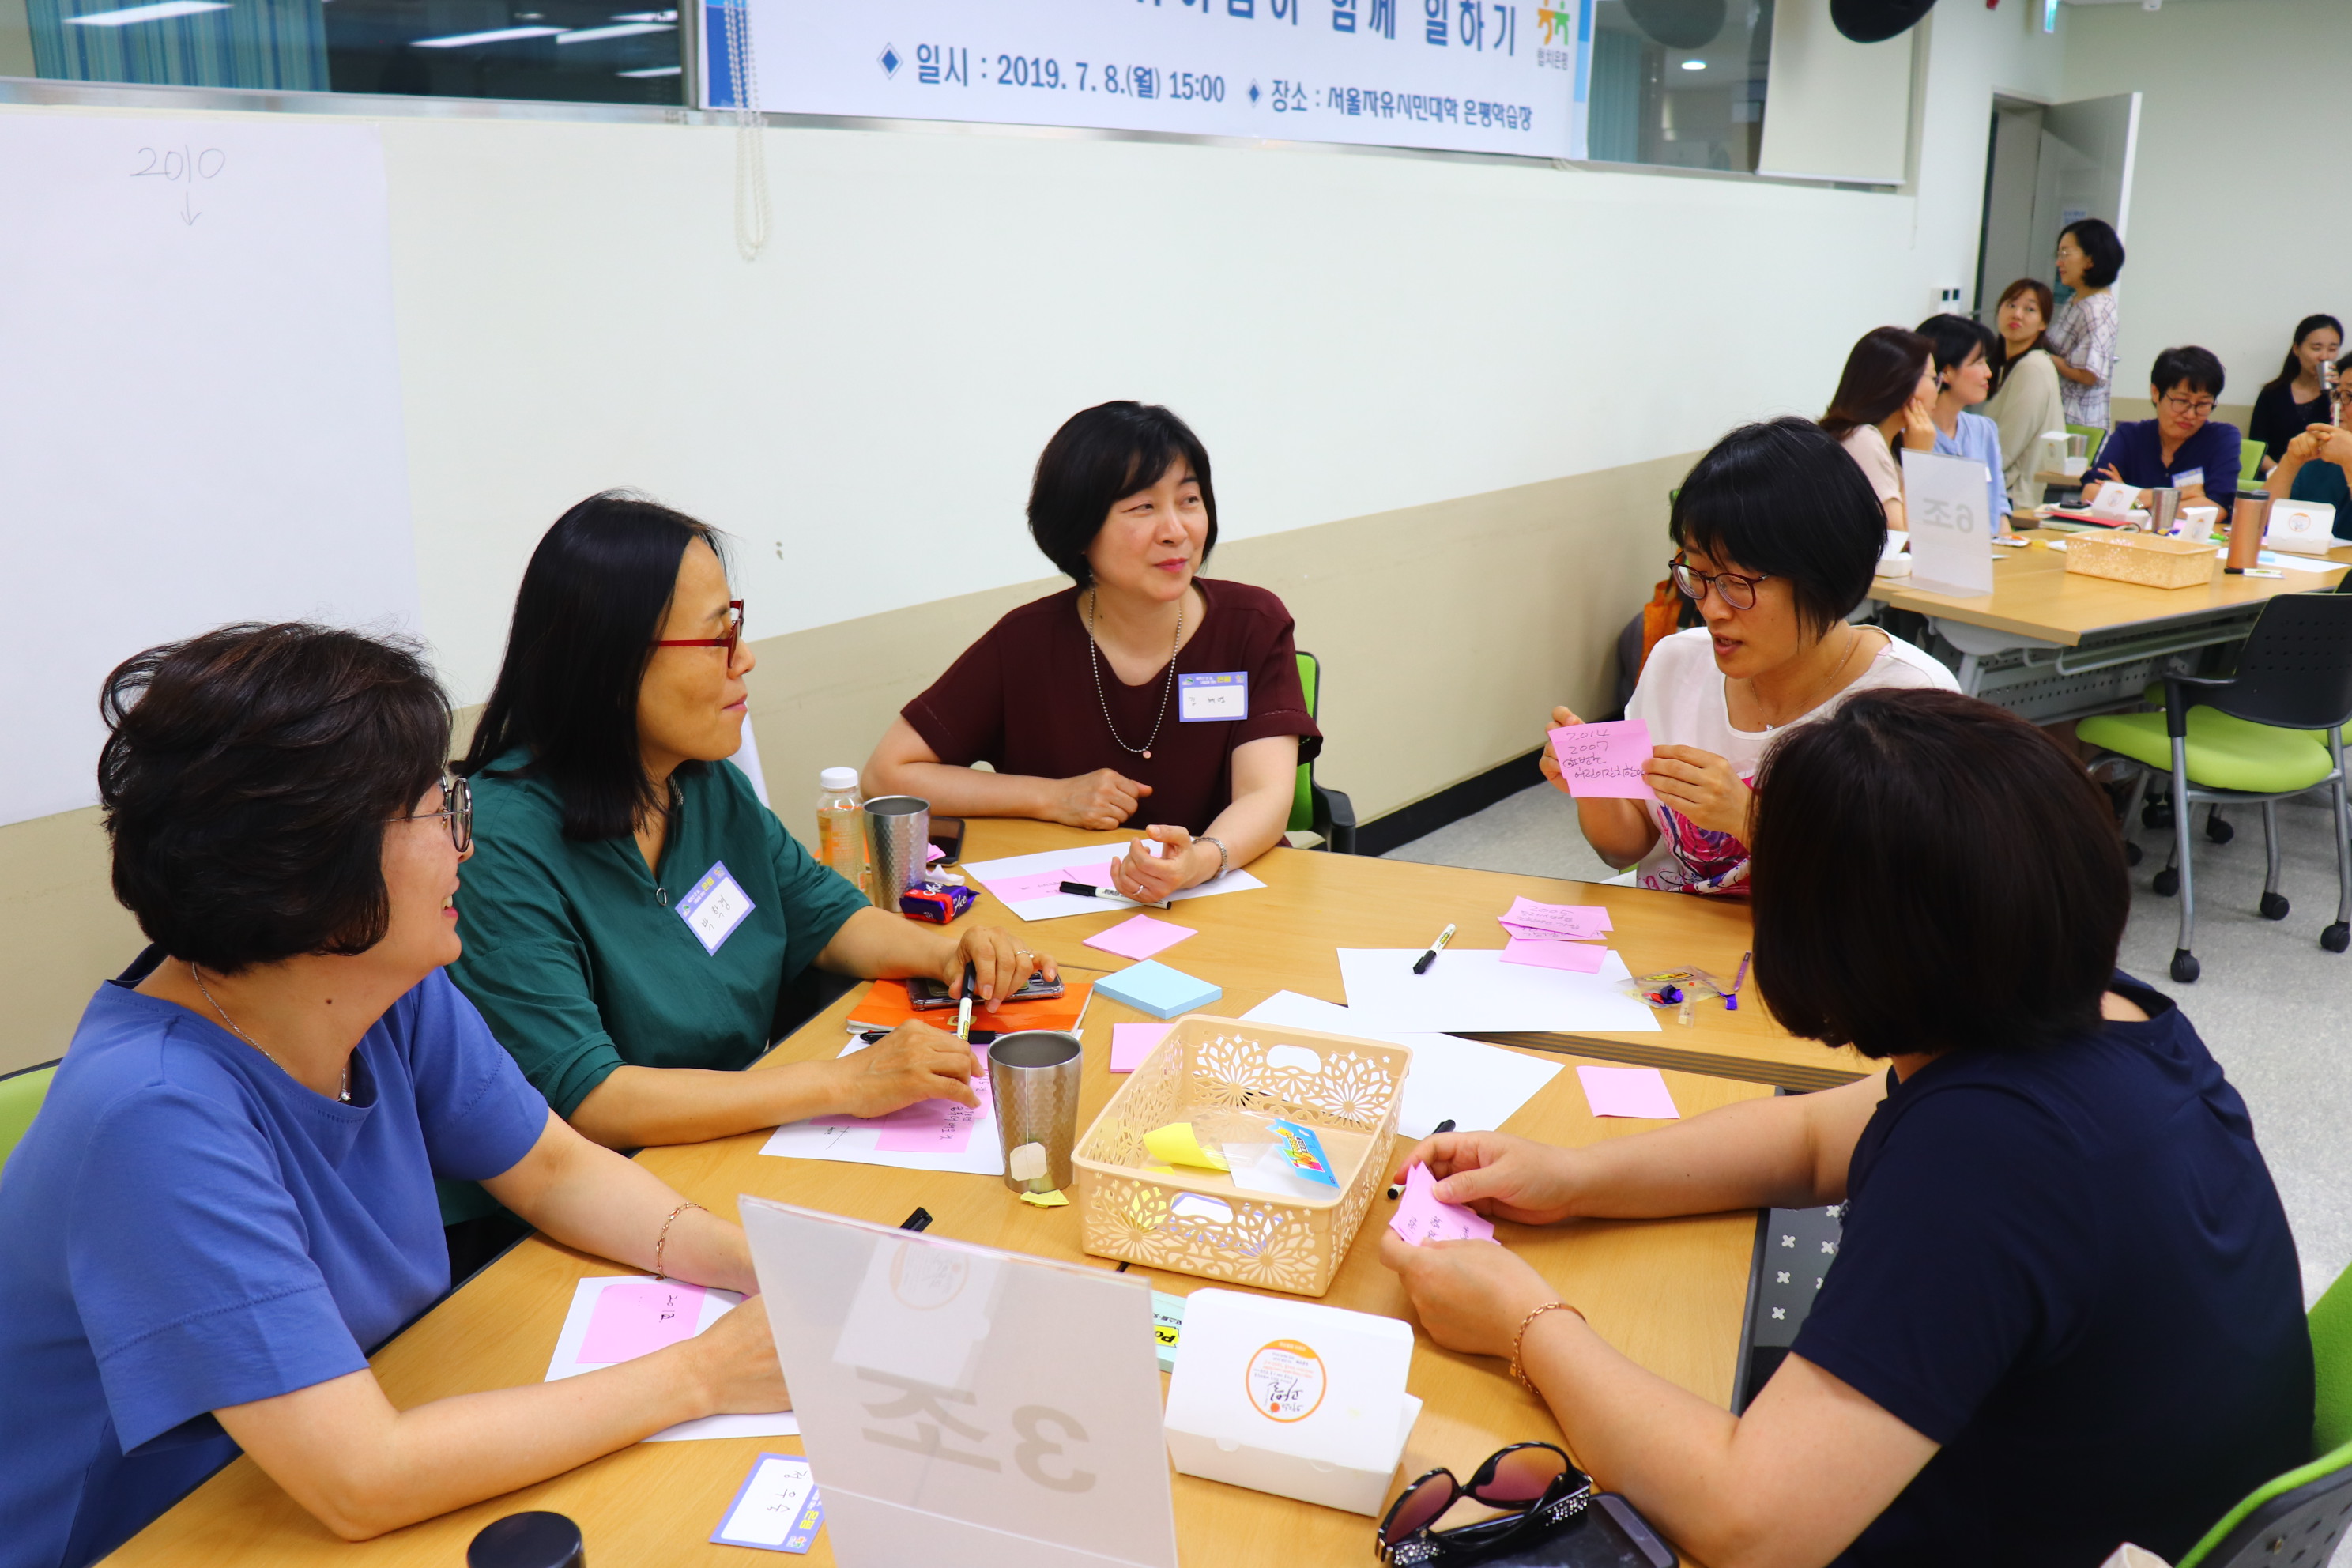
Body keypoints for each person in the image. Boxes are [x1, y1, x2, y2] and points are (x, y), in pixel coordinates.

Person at [1383, 689, 2311, 1567]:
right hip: (2047, 1475)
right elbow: (1817, 1139)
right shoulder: (2101, 1014)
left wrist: (1524, 1319)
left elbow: (1752, 1526)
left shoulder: (1988, 1156)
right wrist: (1577, 1177)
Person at [0, 624, 792, 1568]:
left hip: (310, 1458)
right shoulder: (153, 1115)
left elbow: (548, 1165)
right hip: (160, 1533)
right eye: (439, 807)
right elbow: (362, 1478)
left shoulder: (385, 985)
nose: (470, 835)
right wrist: (708, 1372)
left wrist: (768, 1272)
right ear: (316, 866)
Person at [445, 495, 1050, 1254]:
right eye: (716, 637)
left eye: (738, 626)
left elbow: (824, 913)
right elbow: (588, 1097)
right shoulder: (499, 843)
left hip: (735, 1151)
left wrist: (947, 954)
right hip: (605, 1212)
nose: (746, 657)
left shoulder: (700, 781)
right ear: (610, 663)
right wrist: (844, 1084)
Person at [863, 401, 1321, 903]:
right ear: (1080, 531)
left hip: (1232, 890)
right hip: (1078, 904)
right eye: (1143, 507)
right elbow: (886, 776)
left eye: (1189, 500)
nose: (1176, 530)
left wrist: (1200, 860)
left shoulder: (1251, 623)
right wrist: (1051, 797)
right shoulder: (1026, 642)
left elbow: (1265, 794)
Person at [1541, 417, 1958, 895]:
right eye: (1697, 574)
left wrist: (1749, 819)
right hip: (1669, 953)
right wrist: (1594, 786)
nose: (1710, 609)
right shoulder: (1675, 663)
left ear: (1824, 576)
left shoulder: (1913, 700)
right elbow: (1627, 848)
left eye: (1738, 584)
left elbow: (1906, 898)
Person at [2090, 346, 2243, 518]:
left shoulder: (2222, 439)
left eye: (2203, 404)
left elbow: (2216, 510)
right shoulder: (2129, 436)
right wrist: (2182, 493)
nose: (2191, 414)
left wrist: (2132, 499)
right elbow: (2091, 493)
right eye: (2182, 401)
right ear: (2156, 393)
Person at [1819, 327, 1938, 531]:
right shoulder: (1862, 438)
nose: (1937, 390)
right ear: (1905, 383)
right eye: (1934, 379)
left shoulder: (1891, 440)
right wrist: (1918, 459)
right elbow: (1899, 535)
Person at [1915, 313, 2013, 535]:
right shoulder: (1911, 433)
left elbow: (1998, 508)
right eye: (1978, 362)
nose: (1988, 373)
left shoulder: (1984, 430)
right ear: (1946, 372)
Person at [1979, 277, 2067, 511]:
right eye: (2011, 305)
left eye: (2030, 309)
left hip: (2016, 498)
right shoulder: (2007, 367)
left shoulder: (2032, 367)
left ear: (2043, 323)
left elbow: (2007, 447)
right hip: (2005, 490)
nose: (2017, 314)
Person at [2046, 218, 2126, 431]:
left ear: (2090, 261)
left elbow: (2090, 374)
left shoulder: (2096, 309)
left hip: (2076, 422)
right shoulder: (2077, 299)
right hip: (2060, 412)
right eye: (2058, 255)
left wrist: (2050, 360)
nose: (2059, 262)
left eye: (2066, 254)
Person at [2248, 313, 2344, 473]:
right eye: (2316, 348)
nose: (2324, 357)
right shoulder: (2272, 394)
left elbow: (2344, 441)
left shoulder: (2340, 397)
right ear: (2297, 349)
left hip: (2322, 480)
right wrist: (2280, 474)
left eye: (2332, 349)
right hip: (2274, 475)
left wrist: (2339, 394)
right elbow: (2258, 447)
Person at [2263, 394, 2352, 537]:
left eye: (2349, 396)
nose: (2335, 406)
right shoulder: (2318, 456)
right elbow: (2262, 522)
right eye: (2337, 395)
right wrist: (2289, 462)